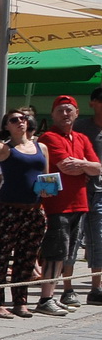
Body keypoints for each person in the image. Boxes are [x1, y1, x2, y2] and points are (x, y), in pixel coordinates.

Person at [31, 93, 101, 314]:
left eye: (69, 109)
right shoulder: (49, 138)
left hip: (79, 203)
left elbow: (97, 168)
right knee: (55, 251)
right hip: (57, 205)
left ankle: (52, 295)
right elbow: (64, 166)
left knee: (68, 252)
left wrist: (81, 163)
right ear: (52, 114)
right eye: (60, 110)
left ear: (77, 113)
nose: (65, 114)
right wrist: (85, 166)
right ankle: (44, 299)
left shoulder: (82, 139)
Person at [0, 107, 48, 318]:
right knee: (1, 256)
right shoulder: (5, 149)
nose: (20, 122)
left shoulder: (41, 147)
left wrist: (48, 191)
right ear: (7, 126)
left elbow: (47, 176)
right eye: (14, 120)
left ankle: (20, 301)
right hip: (9, 209)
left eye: (23, 118)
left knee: (26, 258)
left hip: (34, 209)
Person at [74, 87, 102, 305]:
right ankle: (63, 286)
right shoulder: (81, 127)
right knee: (72, 240)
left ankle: (96, 287)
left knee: (99, 240)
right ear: (92, 102)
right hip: (79, 191)